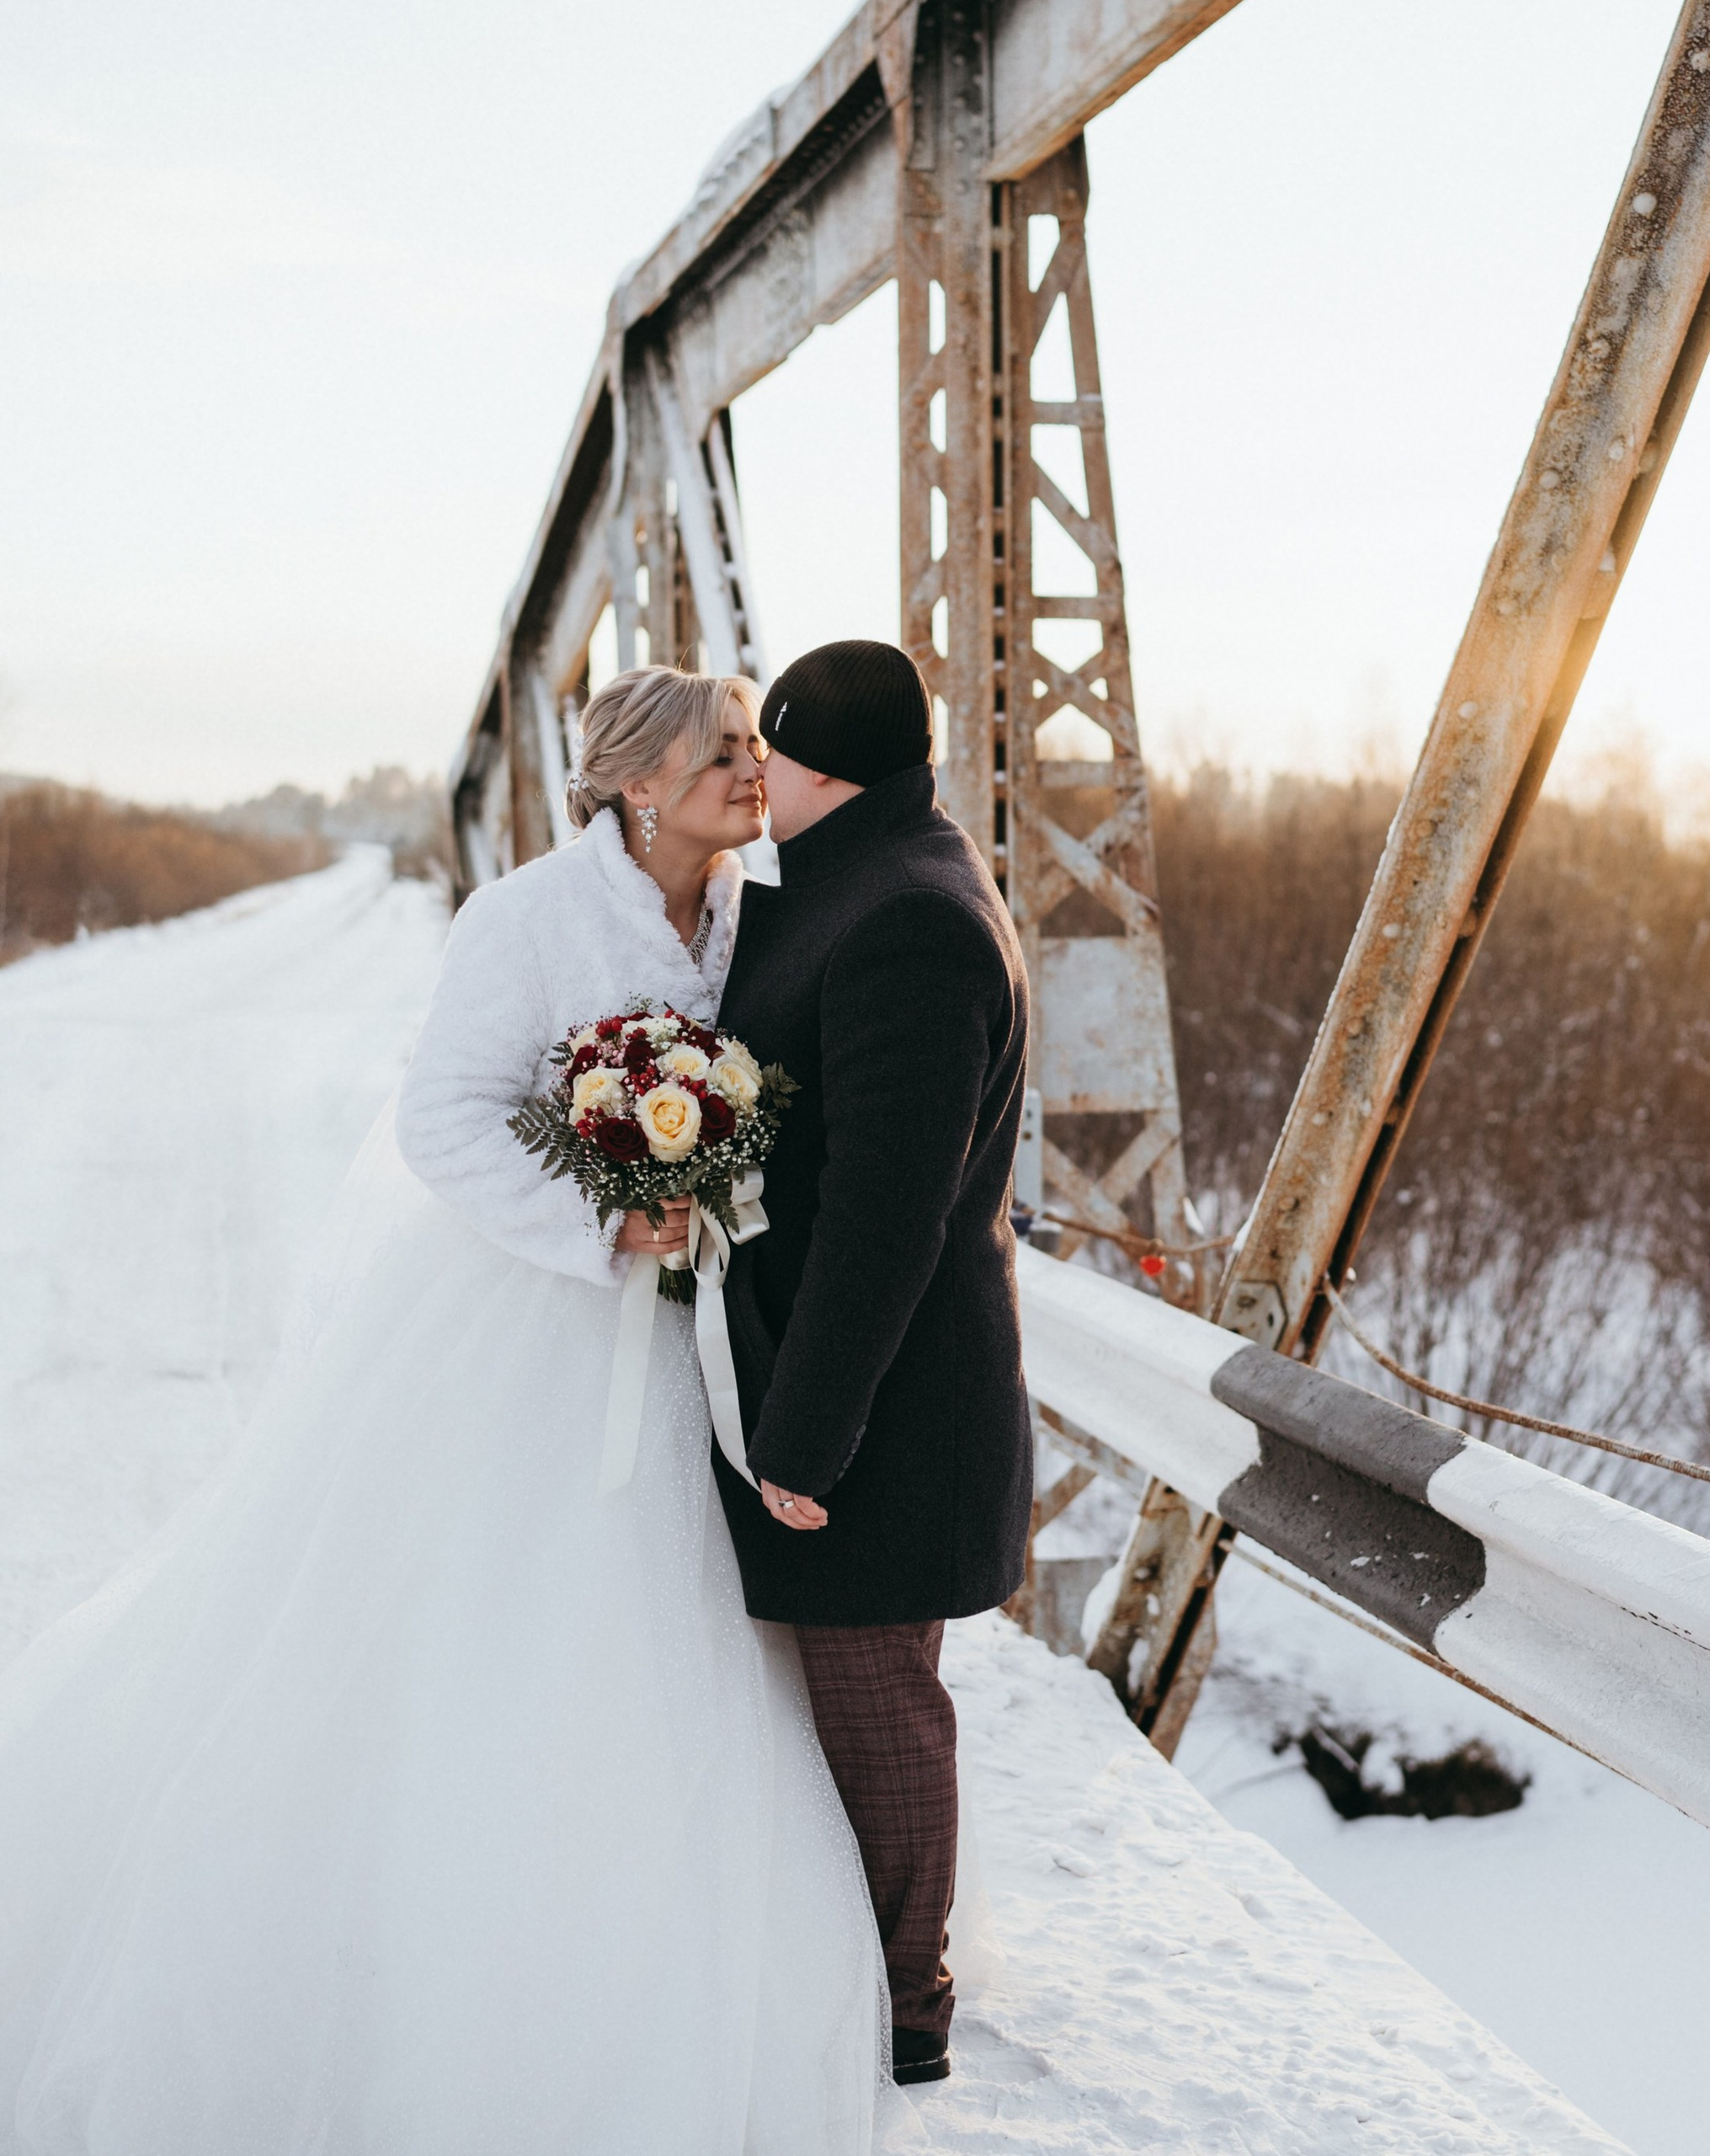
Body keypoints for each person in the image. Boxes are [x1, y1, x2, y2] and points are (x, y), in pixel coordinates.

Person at [0, 665, 888, 2153]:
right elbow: (443, 1117)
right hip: (529, 1336)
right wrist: (601, 1217)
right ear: (635, 784)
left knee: (696, 1645)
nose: (758, 772)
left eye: (755, 749)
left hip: (696, 1344)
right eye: (726, 754)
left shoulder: (761, 913)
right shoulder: (527, 920)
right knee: (504, 1637)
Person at [712, 639, 1034, 2088]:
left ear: (816, 762)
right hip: (849, 1387)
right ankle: (858, 1977)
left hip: (884, 1412)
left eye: (761, 755)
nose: (747, 779)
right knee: (857, 1693)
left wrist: (805, 1436)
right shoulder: (873, 866)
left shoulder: (910, 918)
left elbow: (885, 1220)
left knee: (879, 1704)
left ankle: (908, 2009)